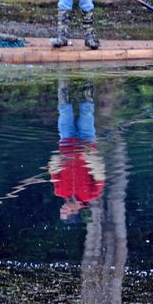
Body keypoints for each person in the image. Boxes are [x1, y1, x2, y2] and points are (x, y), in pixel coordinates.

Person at [48, 80, 106, 223]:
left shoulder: (59, 191)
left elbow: (53, 169)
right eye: (65, 212)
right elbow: (99, 173)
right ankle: (87, 82)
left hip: (66, 142)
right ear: (75, 210)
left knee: (64, 113)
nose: (61, 209)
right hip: (86, 142)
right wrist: (89, 157)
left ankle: (63, 84)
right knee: (87, 112)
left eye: (62, 211)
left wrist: (59, 159)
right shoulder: (92, 194)